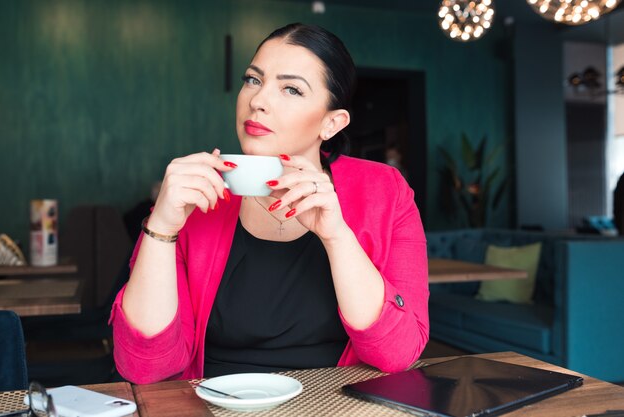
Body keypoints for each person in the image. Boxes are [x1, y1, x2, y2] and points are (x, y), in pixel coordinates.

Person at [110, 23, 429, 384]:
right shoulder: (195, 198)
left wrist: (337, 236)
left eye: (291, 89)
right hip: (213, 405)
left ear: (331, 123)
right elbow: (145, 367)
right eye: (253, 80)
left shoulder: (386, 192)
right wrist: (162, 228)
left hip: (335, 406)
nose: (258, 101)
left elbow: (398, 353)